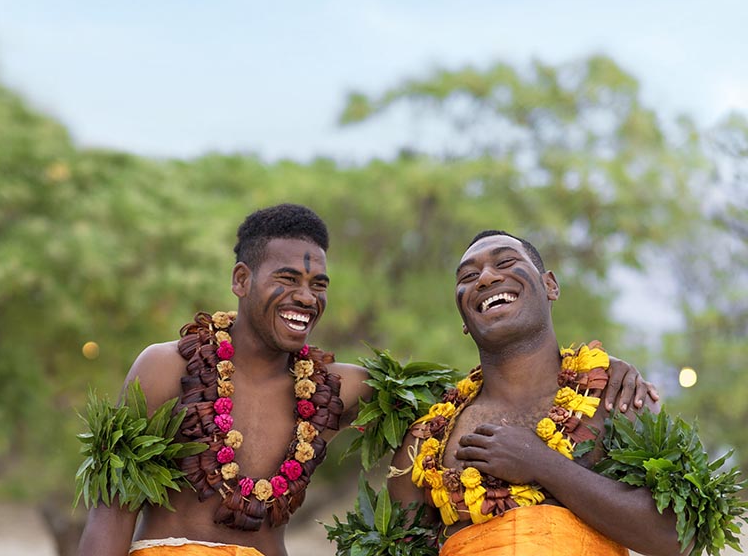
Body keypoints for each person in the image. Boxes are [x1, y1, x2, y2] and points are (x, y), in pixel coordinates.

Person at [79, 210, 654, 556]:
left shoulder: (342, 387)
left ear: (549, 284)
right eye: (287, 278)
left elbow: (479, 392)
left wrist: (603, 373)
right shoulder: (166, 367)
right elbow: (109, 517)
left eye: (318, 283)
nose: (306, 296)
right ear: (241, 279)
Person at [387, 230, 679, 556]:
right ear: (464, 319)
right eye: (469, 276)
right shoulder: (426, 442)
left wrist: (539, 462)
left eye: (506, 261)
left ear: (550, 285)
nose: (485, 278)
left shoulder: (616, 396)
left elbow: (676, 538)